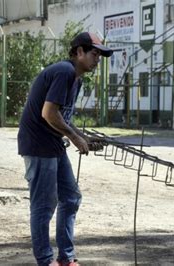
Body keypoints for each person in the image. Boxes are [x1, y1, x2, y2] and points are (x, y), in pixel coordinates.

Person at [17, 32, 113, 266]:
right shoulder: (64, 72)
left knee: (71, 198)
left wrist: (83, 136)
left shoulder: (76, 79)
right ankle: (45, 261)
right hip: (39, 144)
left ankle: (66, 258)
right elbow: (48, 113)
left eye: (100, 55)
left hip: (53, 144)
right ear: (78, 52)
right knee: (44, 204)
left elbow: (62, 117)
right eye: (94, 53)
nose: (97, 59)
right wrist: (74, 138)